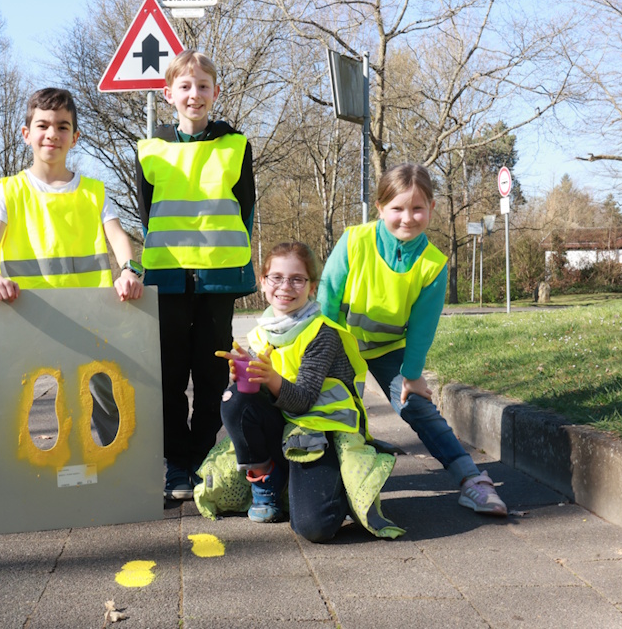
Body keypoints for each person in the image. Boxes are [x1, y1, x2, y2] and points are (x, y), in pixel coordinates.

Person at [0, 87, 144, 522]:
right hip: (27, 316)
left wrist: (130, 270)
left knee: (108, 394)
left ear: (75, 136)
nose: (53, 133)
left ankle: (123, 474)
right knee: (2, 398)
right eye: (44, 126)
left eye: (62, 127)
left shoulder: (94, 192)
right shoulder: (9, 191)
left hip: (89, 317)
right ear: (26, 133)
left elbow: (118, 239)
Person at [317, 163, 508, 516]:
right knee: (337, 410)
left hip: (388, 348)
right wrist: (322, 357)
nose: (408, 218)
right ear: (380, 208)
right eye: (397, 209)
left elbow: (422, 326)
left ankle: (471, 480)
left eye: (418, 208)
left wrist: (413, 373)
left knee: (417, 407)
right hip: (340, 345)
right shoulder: (354, 241)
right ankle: (336, 483)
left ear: (432, 208)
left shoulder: (433, 264)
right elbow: (327, 300)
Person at [135, 49, 257, 501]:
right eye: (185, 86)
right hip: (167, 277)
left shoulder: (236, 146)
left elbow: (244, 207)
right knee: (168, 375)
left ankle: (203, 457)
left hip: (218, 277)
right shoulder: (150, 150)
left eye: (203, 86)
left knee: (210, 374)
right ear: (169, 95)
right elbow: (149, 216)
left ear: (215, 93)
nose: (194, 94)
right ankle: (175, 465)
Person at [217, 241, 391, 543]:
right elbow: (257, 401)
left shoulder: (322, 332)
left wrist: (269, 378)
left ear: (312, 287)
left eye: (297, 279)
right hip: (283, 427)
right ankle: (267, 479)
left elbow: (302, 401)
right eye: (276, 277)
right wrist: (244, 378)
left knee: (314, 528)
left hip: (320, 432)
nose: (285, 286)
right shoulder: (261, 332)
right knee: (234, 399)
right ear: (263, 282)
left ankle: (342, 484)